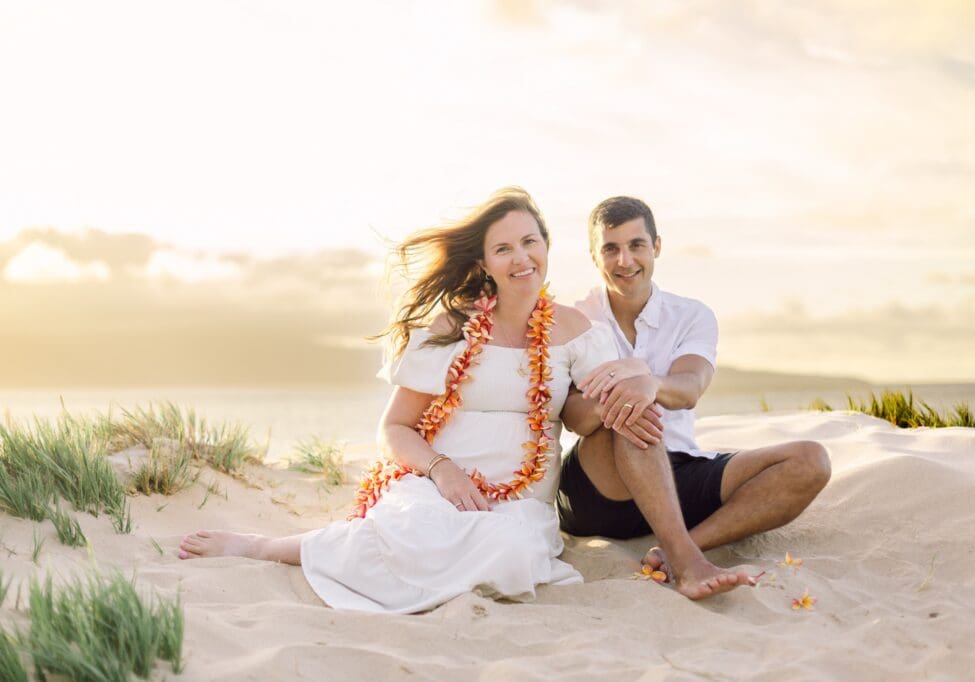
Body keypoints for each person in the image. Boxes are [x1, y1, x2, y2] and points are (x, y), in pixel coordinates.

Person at [178, 187, 640, 614]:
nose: (521, 258)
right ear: (483, 263)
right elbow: (394, 428)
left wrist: (636, 379)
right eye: (503, 249)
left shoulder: (577, 330)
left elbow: (587, 415)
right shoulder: (452, 328)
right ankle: (264, 548)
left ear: (546, 246)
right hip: (439, 484)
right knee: (412, 530)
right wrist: (444, 472)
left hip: (519, 501)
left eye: (529, 242)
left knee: (512, 553)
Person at [558, 196, 831, 600]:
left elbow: (689, 387)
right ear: (594, 256)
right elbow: (575, 419)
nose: (624, 260)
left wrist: (648, 380)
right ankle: (689, 566)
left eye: (636, 245)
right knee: (633, 410)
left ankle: (678, 547)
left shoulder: (691, 315)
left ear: (657, 247)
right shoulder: (576, 319)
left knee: (810, 461)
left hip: (674, 474)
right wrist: (625, 395)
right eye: (611, 248)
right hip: (597, 489)